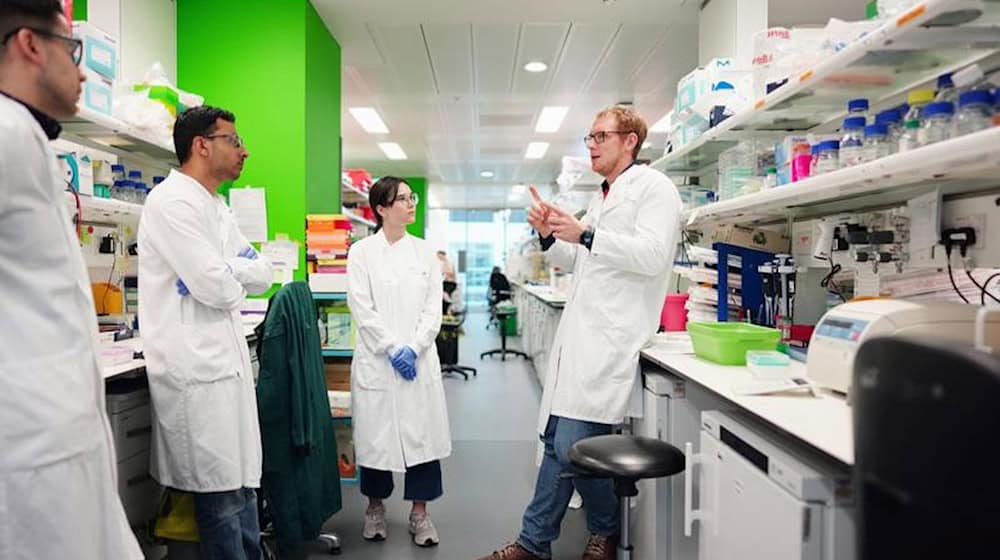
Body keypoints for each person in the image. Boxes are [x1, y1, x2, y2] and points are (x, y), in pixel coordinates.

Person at [479, 105, 682, 560]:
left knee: (570, 444)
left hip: (613, 337)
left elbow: (650, 255)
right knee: (559, 441)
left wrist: (585, 233)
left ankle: (569, 537)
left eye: (599, 136)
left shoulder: (654, 188)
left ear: (630, 140)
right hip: (583, 335)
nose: (590, 145)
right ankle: (555, 540)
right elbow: (581, 263)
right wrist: (552, 236)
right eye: (588, 138)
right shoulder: (602, 197)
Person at [0, 2, 142, 559]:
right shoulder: (7, 135)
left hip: (52, 436)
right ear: (31, 45)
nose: (83, 72)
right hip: (29, 444)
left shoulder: (27, 137)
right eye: (73, 51)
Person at [138, 105, 273, 560]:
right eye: (234, 141)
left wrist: (224, 271)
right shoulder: (172, 203)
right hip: (195, 375)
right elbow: (217, 288)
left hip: (224, 371)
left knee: (243, 495)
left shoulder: (215, 207)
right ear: (202, 145)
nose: (244, 151)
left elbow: (265, 273)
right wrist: (225, 276)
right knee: (220, 505)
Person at [347, 176, 452, 547]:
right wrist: (392, 348)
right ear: (381, 208)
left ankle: (420, 515)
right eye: (403, 199)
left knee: (422, 441)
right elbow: (362, 307)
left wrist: (415, 346)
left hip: (418, 361)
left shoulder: (425, 253)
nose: (411, 204)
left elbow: (431, 309)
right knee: (376, 441)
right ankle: (375, 508)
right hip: (379, 360)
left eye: (413, 197)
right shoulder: (361, 253)